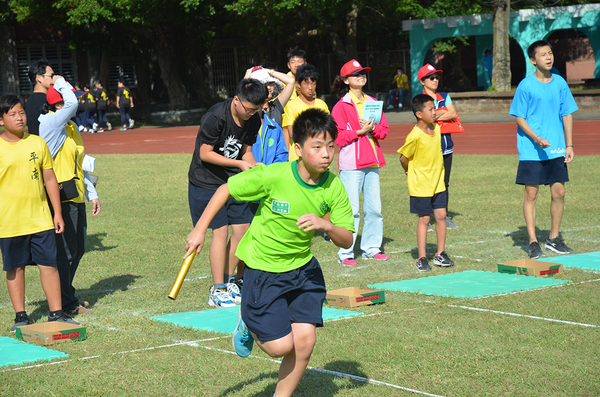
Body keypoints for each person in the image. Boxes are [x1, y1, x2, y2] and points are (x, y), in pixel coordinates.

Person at [184, 108, 354, 397]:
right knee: (280, 347)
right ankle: (248, 322)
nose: (326, 154)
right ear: (298, 149)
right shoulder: (274, 176)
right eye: (317, 146)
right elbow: (226, 189)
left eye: (331, 146)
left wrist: (325, 224)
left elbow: (347, 239)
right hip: (264, 270)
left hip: (303, 270)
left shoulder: (333, 186)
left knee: (305, 341)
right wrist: (200, 229)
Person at [0, 93, 79, 331]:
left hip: (41, 218)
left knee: (50, 264)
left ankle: (57, 313)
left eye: (21, 112)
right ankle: (21, 316)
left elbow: (50, 178)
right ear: (1, 120)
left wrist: (57, 213)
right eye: (12, 114)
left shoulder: (37, 143)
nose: (19, 118)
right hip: (9, 221)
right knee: (15, 267)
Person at [188, 78, 266, 308]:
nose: (251, 114)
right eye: (249, 109)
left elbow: (247, 151)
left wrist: (253, 166)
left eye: (256, 110)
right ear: (236, 100)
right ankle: (218, 289)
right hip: (206, 182)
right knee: (220, 232)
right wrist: (239, 164)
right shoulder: (216, 117)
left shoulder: (254, 119)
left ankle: (231, 281)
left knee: (243, 228)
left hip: (234, 180)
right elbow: (205, 153)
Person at [509, 40, 577, 259]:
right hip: (532, 149)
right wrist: (536, 138)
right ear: (532, 60)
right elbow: (519, 118)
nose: (548, 57)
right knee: (531, 193)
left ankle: (553, 239)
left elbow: (567, 114)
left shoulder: (560, 83)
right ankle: (532, 242)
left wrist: (569, 144)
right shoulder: (525, 86)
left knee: (559, 192)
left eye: (550, 53)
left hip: (557, 149)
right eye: (543, 55)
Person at [39, 76, 101, 316]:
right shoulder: (51, 123)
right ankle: (66, 301)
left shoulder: (70, 127)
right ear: (58, 105)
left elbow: (80, 163)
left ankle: (65, 293)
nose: (78, 104)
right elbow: (72, 105)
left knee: (78, 249)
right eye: (70, 99)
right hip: (62, 197)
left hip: (76, 194)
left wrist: (92, 193)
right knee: (66, 251)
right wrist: (59, 80)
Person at [331, 59, 390, 266]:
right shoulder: (340, 106)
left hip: (372, 163)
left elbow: (383, 131)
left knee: (375, 209)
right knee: (351, 210)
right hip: (351, 165)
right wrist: (359, 131)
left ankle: (371, 249)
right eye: (356, 74)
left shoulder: (373, 102)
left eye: (363, 73)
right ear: (346, 80)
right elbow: (336, 137)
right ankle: (346, 253)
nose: (361, 77)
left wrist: (372, 129)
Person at [398, 94, 455, 272]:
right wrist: (409, 171)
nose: (434, 112)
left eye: (434, 108)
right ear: (419, 114)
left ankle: (440, 253)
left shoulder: (437, 129)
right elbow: (403, 158)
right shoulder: (414, 136)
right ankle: (422, 257)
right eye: (430, 109)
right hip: (421, 185)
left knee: (441, 216)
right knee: (424, 219)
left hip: (438, 183)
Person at [418, 63, 459, 230]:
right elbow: (426, 118)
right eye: (431, 78)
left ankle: (444, 216)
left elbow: (453, 113)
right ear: (422, 81)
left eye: (437, 77)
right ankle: (425, 218)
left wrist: (436, 113)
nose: (435, 80)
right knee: (428, 182)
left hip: (446, 146)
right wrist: (442, 113)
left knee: (445, 183)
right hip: (428, 147)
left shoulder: (444, 95)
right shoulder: (419, 99)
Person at [282, 64, 330, 161]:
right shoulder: (291, 105)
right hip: (297, 159)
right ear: (298, 85)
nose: (310, 87)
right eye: (306, 83)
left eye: (313, 83)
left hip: (320, 158)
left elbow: (329, 130)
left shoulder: (322, 105)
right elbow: (292, 133)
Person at [25, 59, 54, 136]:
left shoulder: (29, 101)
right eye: (51, 76)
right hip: (47, 145)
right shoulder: (48, 101)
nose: (53, 79)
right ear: (39, 78)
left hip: (35, 144)